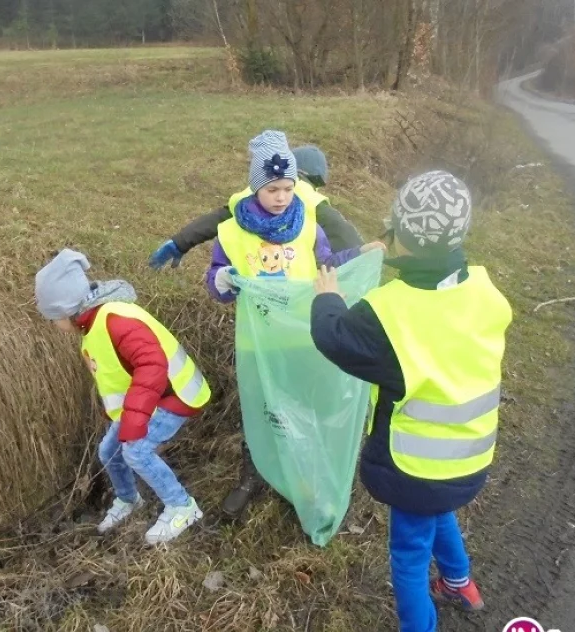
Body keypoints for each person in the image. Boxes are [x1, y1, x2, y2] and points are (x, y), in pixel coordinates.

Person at [310, 171, 513, 632]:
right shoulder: (484, 291)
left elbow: (334, 337)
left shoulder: (388, 312)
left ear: (400, 236)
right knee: (436, 511)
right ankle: (460, 583)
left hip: (413, 465)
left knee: (408, 555)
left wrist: (327, 299)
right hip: (471, 456)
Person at [205, 130, 384, 519]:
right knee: (261, 410)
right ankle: (251, 478)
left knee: (303, 407)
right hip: (259, 343)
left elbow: (328, 264)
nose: (282, 197)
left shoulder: (308, 227)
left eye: (288, 188)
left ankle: (303, 480)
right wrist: (220, 281)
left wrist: (359, 254)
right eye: (273, 190)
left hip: (301, 339)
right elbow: (218, 277)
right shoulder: (233, 231)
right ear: (256, 189)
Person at [34, 249, 212, 545]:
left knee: (135, 451)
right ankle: (129, 500)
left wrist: (135, 421)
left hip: (174, 396)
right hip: (150, 400)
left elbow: (152, 366)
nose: (54, 325)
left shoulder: (116, 320)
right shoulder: (92, 324)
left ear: (67, 309)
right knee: (109, 451)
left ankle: (183, 506)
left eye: (54, 318)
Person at [148, 145, 364, 270]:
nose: (281, 197)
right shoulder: (312, 201)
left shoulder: (249, 195)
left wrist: (179, 243)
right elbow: (349, 240)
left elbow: (216, 219)